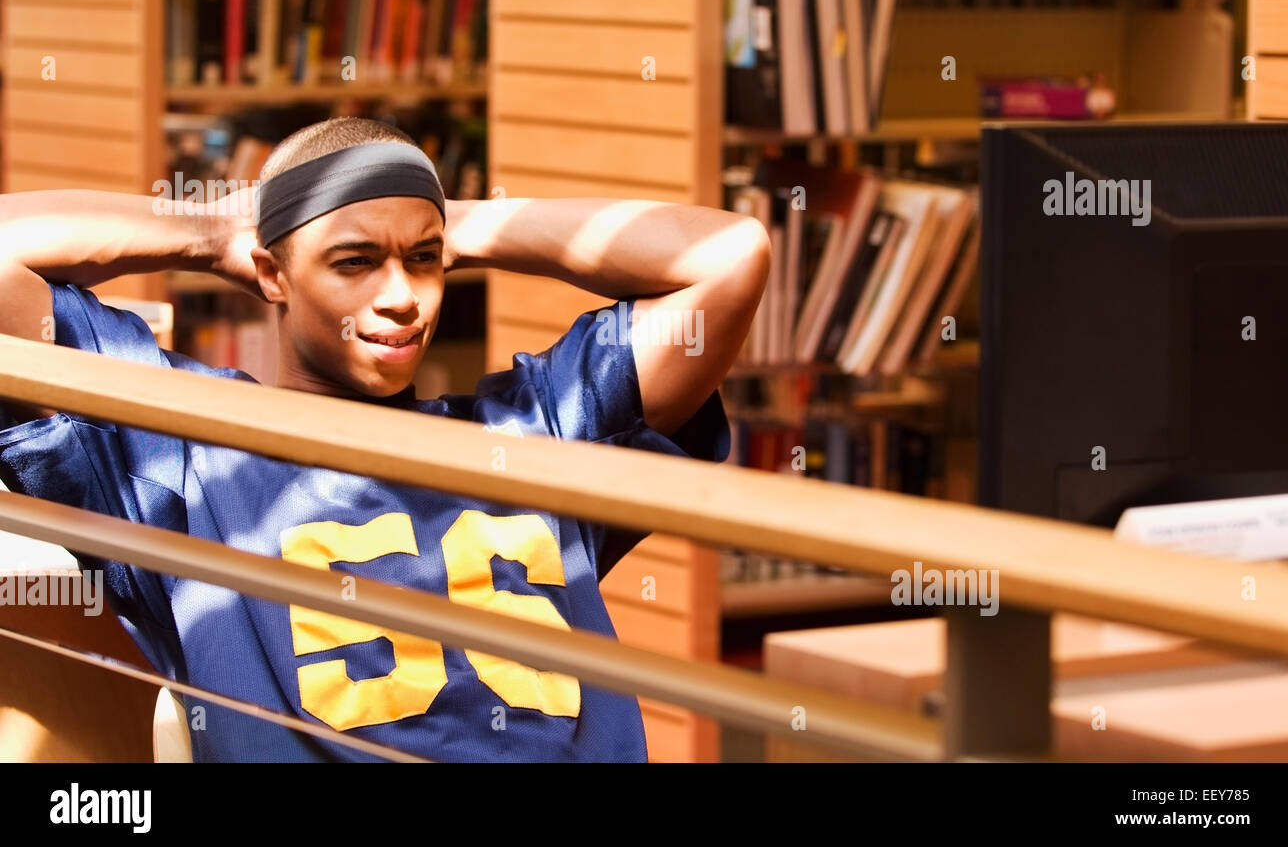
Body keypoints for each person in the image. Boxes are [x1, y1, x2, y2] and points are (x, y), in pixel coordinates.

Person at [0, 117, 770, 761]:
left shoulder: (534, 428)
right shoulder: (184, 454)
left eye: (424, 261)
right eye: (354, 261)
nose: (401, 298)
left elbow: (730, 258)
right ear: (271, 273)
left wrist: (435, 210)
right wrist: (209, 229)